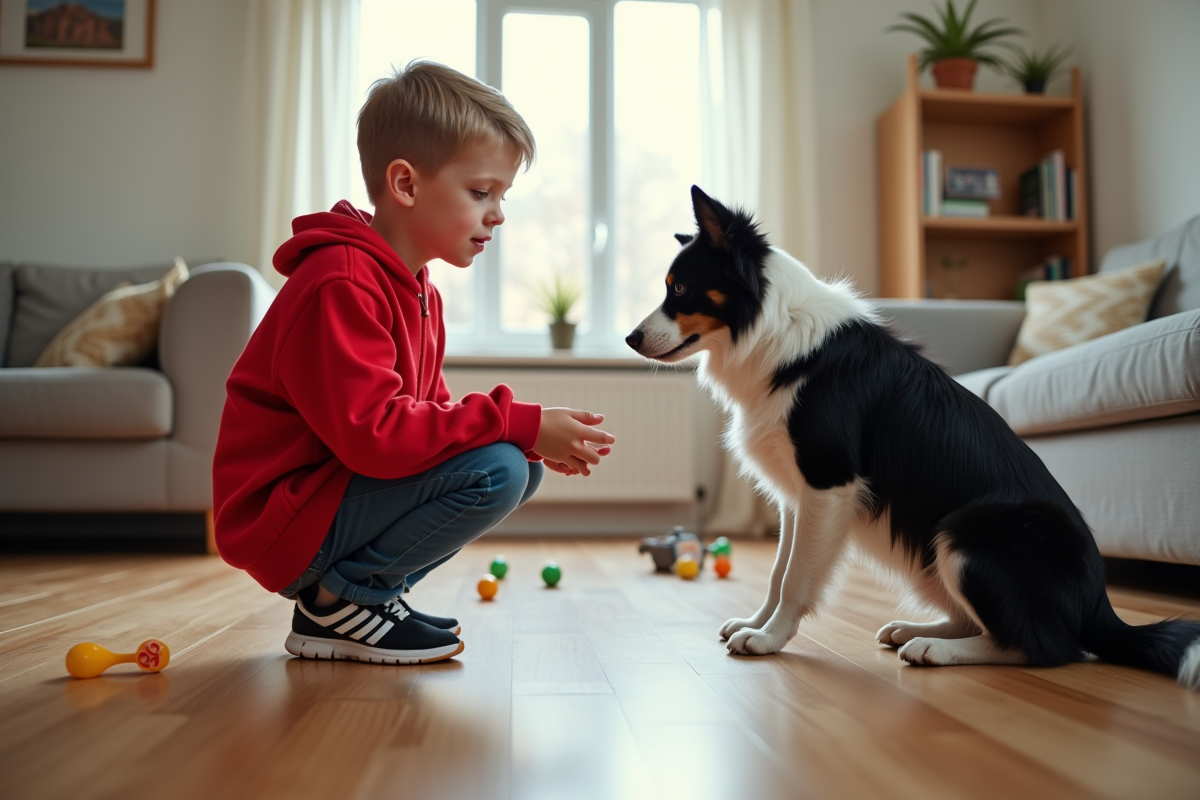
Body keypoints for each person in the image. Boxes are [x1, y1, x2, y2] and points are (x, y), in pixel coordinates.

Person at [212, 61, 614, 665]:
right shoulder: (341, 283)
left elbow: (425, 417)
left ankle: (356, 602)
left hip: (322, 497)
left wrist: (529, 438)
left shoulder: (415, 286)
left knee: (518, 467)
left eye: (502, 196)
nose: (498, 214)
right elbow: (377, 437)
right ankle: (340, 598)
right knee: (499, 469)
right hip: (285, 517)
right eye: (481, 193)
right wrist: (520, 423)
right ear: (405, 185)